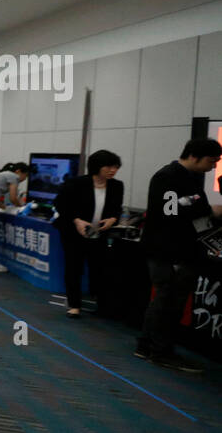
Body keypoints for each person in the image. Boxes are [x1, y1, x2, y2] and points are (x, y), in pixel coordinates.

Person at [135, 138, 222, 372]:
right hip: (168, 251)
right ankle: (160, 351)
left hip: (180, 250)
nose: (214, 167)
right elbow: (169, 211)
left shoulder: (190, 178)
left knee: (165, 299)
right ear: (194, 155)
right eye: (211, 161)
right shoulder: (168, 176)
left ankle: (147, 345)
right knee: (168, 301)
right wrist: (207, 210)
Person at [53, 151, 123, 317]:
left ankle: (100, 303)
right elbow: (60, 204)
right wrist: (76, 220)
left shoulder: (116, 185)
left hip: (99, 233)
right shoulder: (77, 183)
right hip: (74, 232)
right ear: (97, 167)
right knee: (74, 268)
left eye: (116, 167)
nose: (113, 170)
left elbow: (116, 208)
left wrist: (113, 219)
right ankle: (74, 305)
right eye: (109, 166)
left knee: (99, 268)